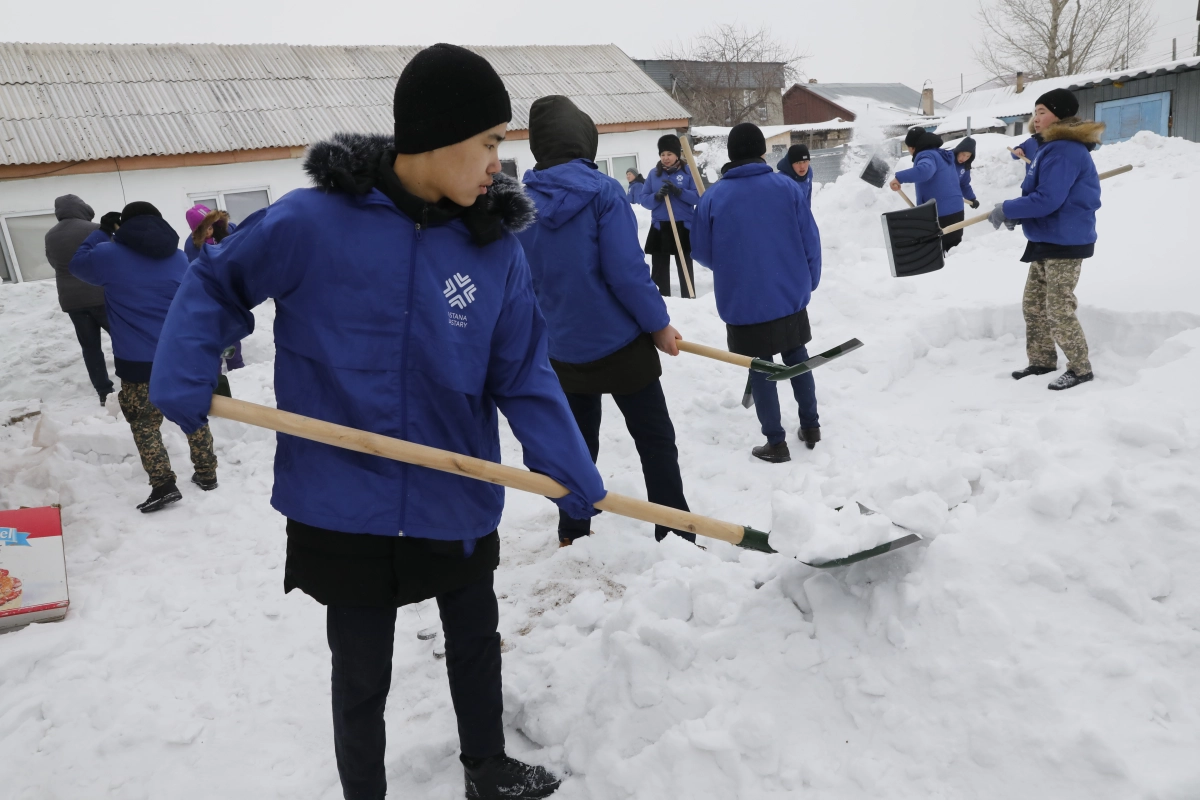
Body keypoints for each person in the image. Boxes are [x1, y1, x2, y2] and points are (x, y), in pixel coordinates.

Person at [149, 44, 606, 800]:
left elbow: (520, 370)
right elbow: (218, 280)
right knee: (360, 669)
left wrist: (566, 465)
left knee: (474, 642)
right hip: (341, 497)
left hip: (453, 487)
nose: (500, 161)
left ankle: (486, 769)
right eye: (490, 141)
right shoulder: (311, 223)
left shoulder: (494, 249)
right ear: (438, 134)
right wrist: (185, 360)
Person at [516, 95, 694, 546]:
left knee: (576, 446)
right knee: (654, 439)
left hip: (562, 349)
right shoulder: (603, 191)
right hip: (621, 343)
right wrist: (658, 324)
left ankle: (572, 531)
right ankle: (673, 531)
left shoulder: (518, 203)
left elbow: (522, 280)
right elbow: (627, 274)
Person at [69, 202, 219, 512]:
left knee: (144, 422)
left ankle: (163, 484)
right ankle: (206, 474)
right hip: (179, 356)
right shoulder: (179, 259)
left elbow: (77, 264)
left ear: (125, 226)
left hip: (136, 362)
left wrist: (101, 233)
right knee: (191, 411)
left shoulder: (108, 256)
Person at [692, 123, 822, 463]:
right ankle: (811, 426)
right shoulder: (787, 188)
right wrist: (810, 280)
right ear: (762, 151)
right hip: (788, 293)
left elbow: (702, 252)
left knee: (761, 370)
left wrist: (733, 265)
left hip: (743, 302)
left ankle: (776, 443)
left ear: (732, 155)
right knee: (798, 358)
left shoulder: (713, 197)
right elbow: (810, 238)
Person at [988, 88, 1102, 392]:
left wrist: (1008, 209)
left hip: (1065, 241)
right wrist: (1019, 214)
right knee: (1034, 306)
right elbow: (1041, 197)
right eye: (1035, 112)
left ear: (1060, 115)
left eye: (1042, 112)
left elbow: (1047, 200)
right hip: (1047, 237)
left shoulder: (1064, 150)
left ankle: (1080, 369)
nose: (1035, 118)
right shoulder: (1050, 148)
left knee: (1057, 309)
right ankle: (1041, 360)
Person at [44, 194, 114, 406]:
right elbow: (111, 256)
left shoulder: (50, 236)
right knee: (123, 338)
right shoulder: (94, 229)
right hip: (100, 295)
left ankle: (103, 391)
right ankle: (134, 379)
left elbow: (53, 262)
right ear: (82, 208)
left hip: (73, 300)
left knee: (90, 347)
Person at [183, 204, 245, 384]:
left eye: (212, 226)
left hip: (231, 291)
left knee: (232, 329)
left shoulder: (227, 231)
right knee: (213, 332)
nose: (210, 231)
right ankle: (214, 371)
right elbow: (197, 274)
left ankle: (237, 366)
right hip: (210, 294)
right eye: (205, 229)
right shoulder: (193, 247)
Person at [640, 134, 700, 297]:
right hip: (661, 226)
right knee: (659, 268)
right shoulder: (654, 174)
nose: (665, 158)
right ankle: (662, 299)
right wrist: (657, 197)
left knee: (685, 265)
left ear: (677, 154)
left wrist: (679, 192)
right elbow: (644, 200)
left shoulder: (688, 172)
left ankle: (689, 298)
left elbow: (698, 196)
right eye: (662, 154)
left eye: (669, 154)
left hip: (683, 225)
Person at [890, 129, 966, 252]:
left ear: (912, 147)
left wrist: (899, 178)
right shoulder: (942, 154)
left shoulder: (926, 155)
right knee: (954, 253)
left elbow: (925, 171)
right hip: (956, 210)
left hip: (940, 213)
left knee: (936, 255)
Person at [953, 136, 979, 209]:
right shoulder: (947, 160)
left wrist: (971, 199)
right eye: (963, 154)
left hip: (954, 200)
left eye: (968, 156)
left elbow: (964, 184)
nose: (964, 158)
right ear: (959, 151)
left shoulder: (965, 166)